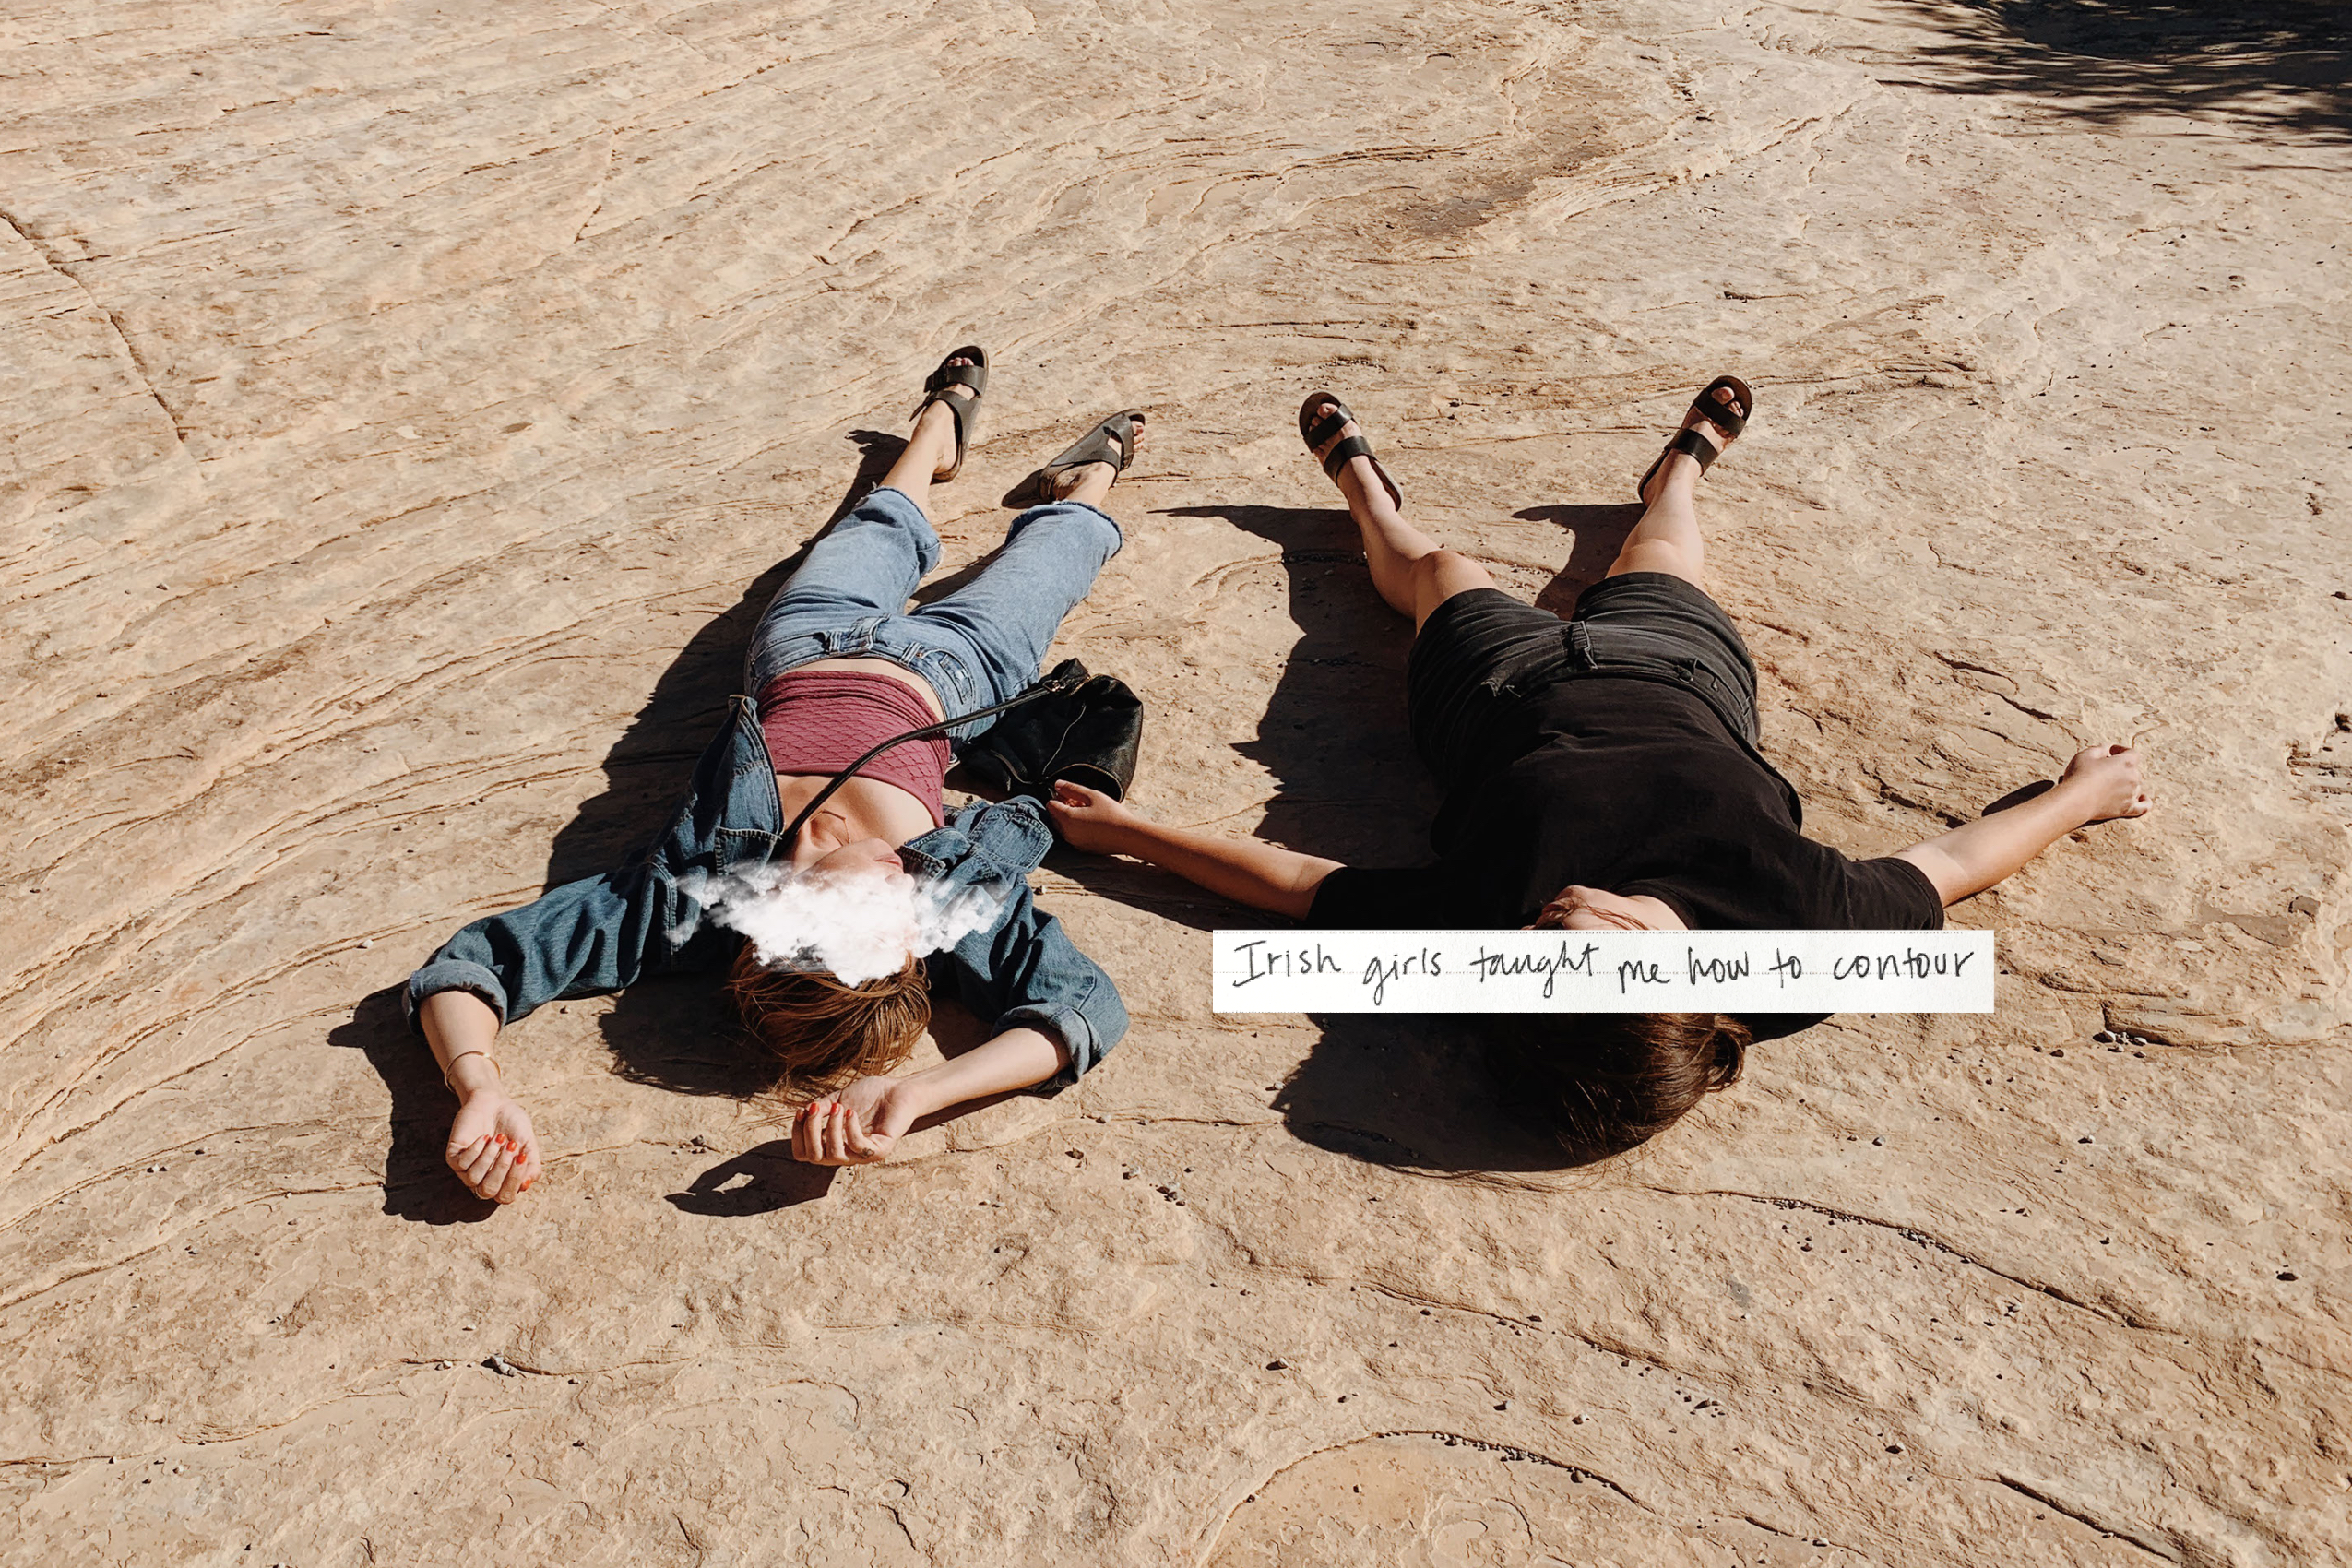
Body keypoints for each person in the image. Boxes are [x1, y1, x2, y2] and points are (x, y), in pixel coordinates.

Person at [1047, 381, 2152, 1156]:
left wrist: (1127, 836)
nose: (1548, 911)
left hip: (1493, 698)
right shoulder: (1805, 938)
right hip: (1683, 679)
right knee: (1658, 553)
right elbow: (1951, 861)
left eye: (1532, 944)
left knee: (1441, 568)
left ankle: (1364, 494)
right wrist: (2076, 798)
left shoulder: (1494, 951)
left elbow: (1297, 887)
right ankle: (1680, 469)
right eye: (1575, 927)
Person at [406, 349, 1150, 1201]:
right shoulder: (938, 912)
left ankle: (934, 433)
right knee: (1064, 555)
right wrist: (917, 1093)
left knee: (877, 528)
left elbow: (478, 963)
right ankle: (1081, 479)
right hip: (960, 671)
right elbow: (1085, 1008)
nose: (903, 890)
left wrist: (480, 1087)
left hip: (806, 642)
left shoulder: (687, 898)